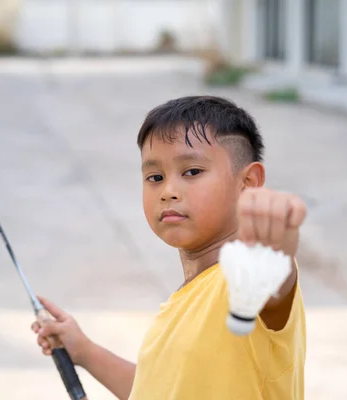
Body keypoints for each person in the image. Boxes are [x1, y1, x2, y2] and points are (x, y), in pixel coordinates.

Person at [31, 95, 307, 399]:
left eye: (192, 172)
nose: (168, 191)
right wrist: (83, 350)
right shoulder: (183, 302)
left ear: (249, 183)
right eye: (155, 177)